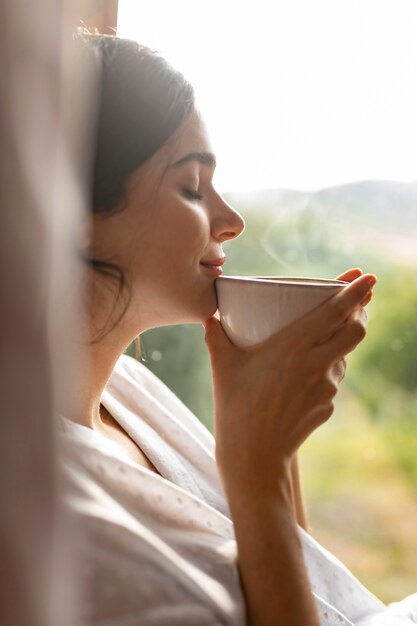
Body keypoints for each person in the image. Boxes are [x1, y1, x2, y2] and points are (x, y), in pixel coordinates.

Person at [60, 34, 417, 626]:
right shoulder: (46, 508)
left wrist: (274, 421)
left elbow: (295, 584)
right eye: (192, 188)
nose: (231, 220)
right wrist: (257, 468)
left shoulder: (128, 392)